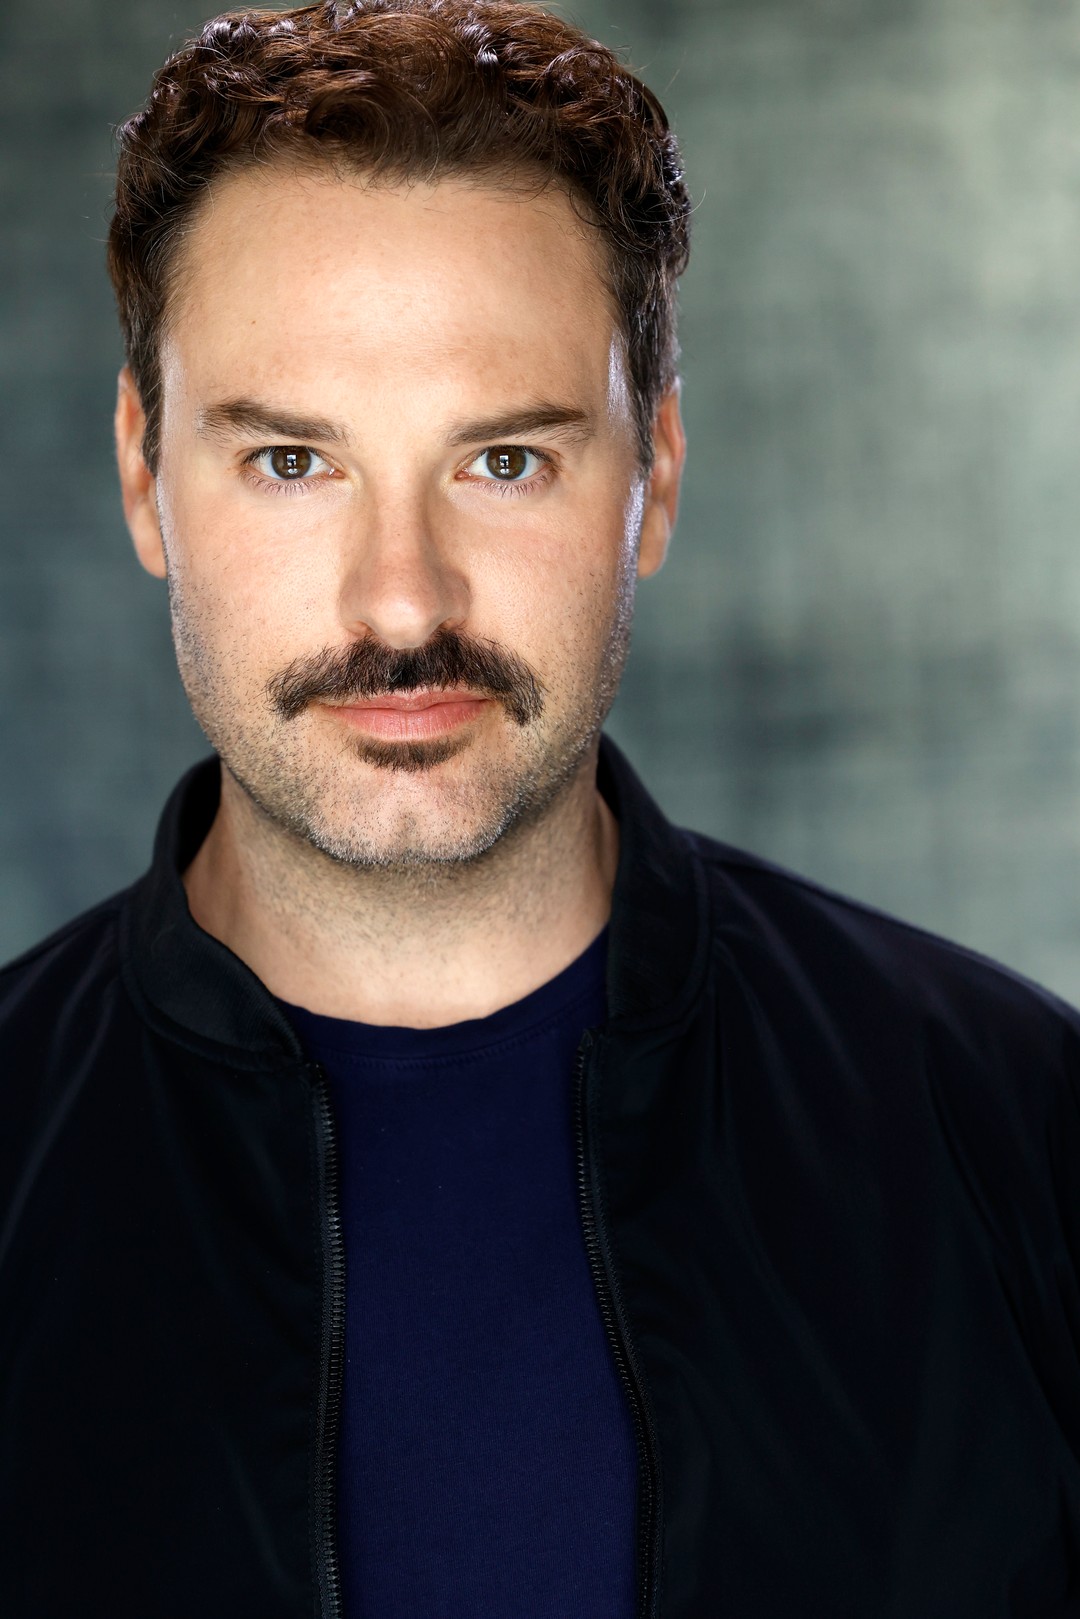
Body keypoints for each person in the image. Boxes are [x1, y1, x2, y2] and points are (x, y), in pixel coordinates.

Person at [2, 1, 1079, 1614]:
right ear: (146, 475)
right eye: (292, 461)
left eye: (503, 461)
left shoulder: (1018, 1135)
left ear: (657, 475)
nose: (400, 599)